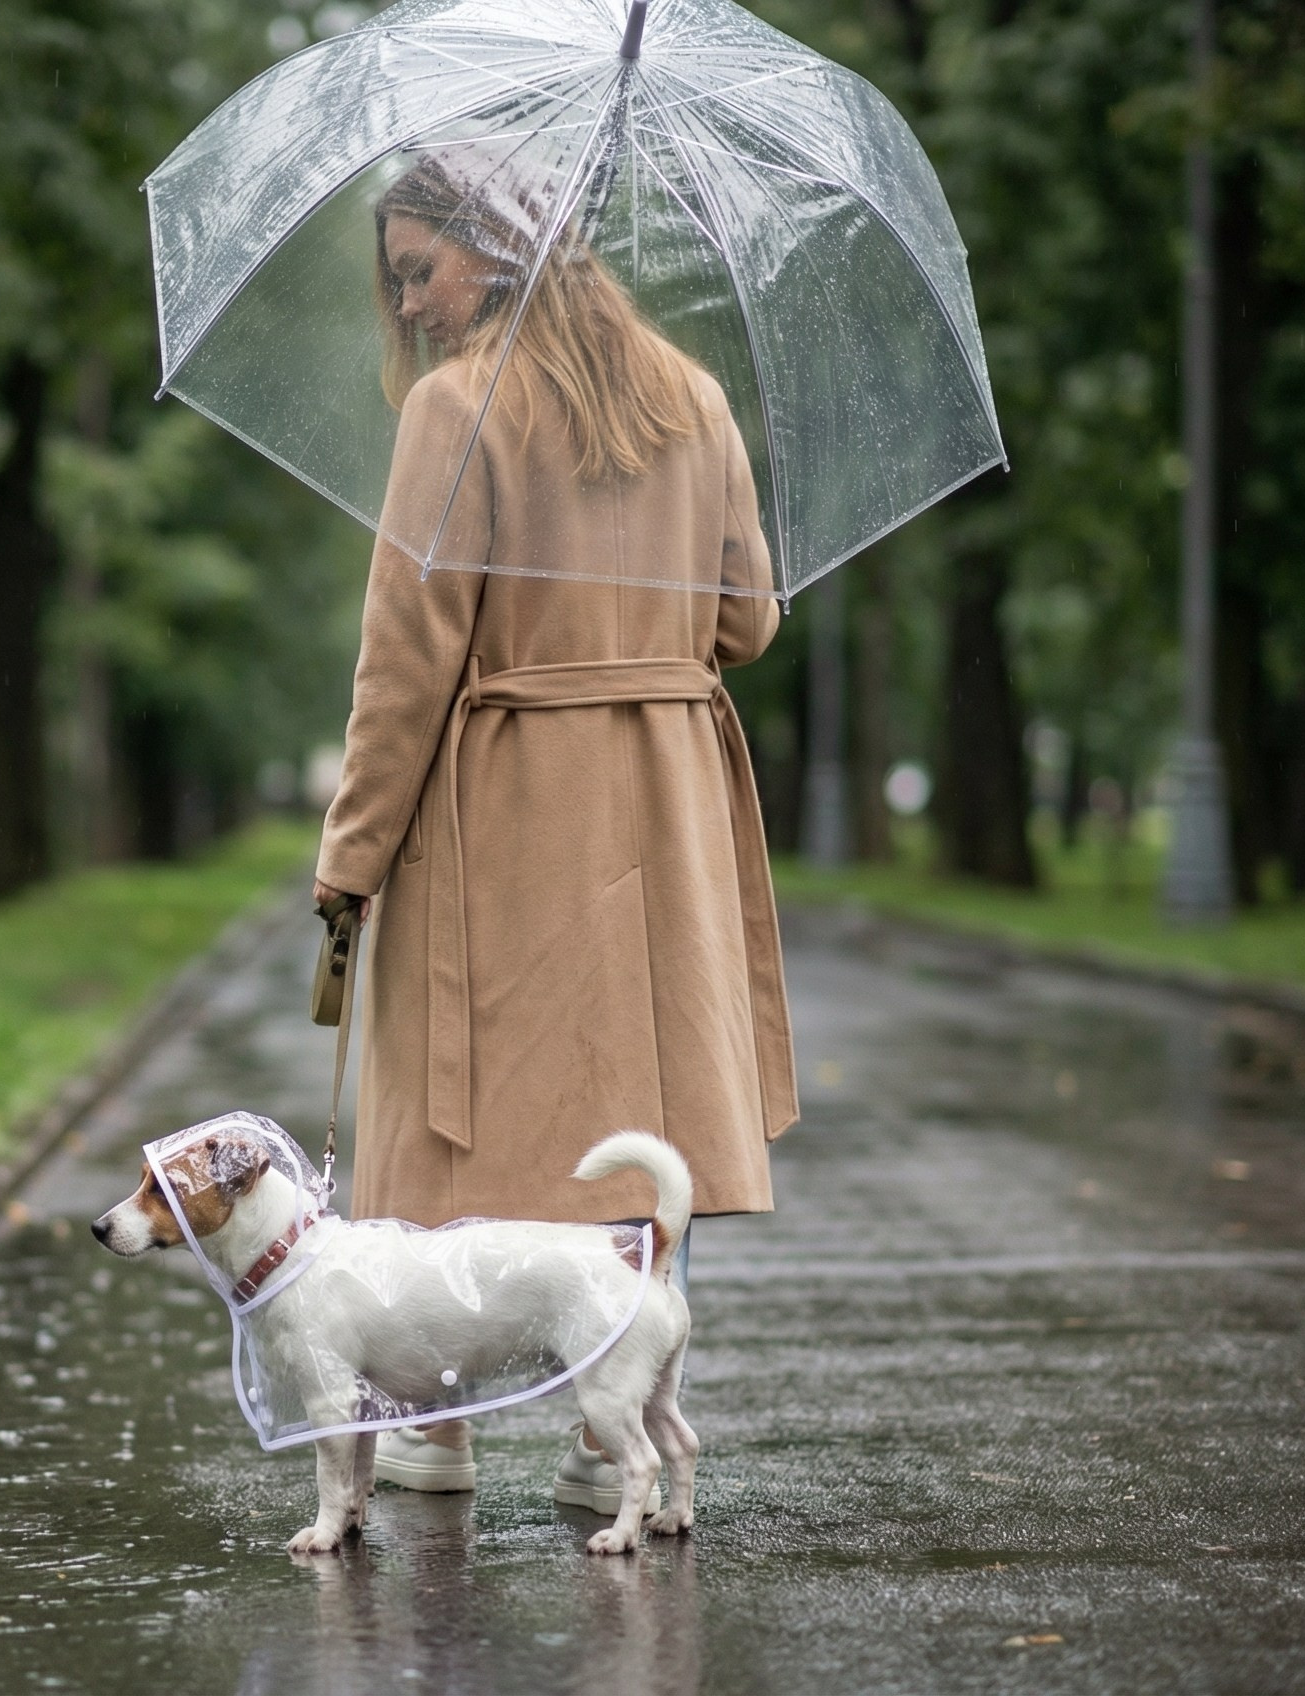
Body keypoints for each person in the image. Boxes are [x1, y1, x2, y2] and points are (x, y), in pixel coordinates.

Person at [311, 149, 799, 1512]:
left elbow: (406, 663)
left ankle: (435, 1428)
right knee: (639, 1111)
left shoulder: (458, 411)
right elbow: (749, 623)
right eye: (398, 276)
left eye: (422, 267)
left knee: (462, 1112)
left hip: (507, 800)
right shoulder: (692, 399)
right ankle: (615, 1434)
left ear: (503, 246)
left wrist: (352, 857)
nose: (408, 303)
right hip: (667, 799)